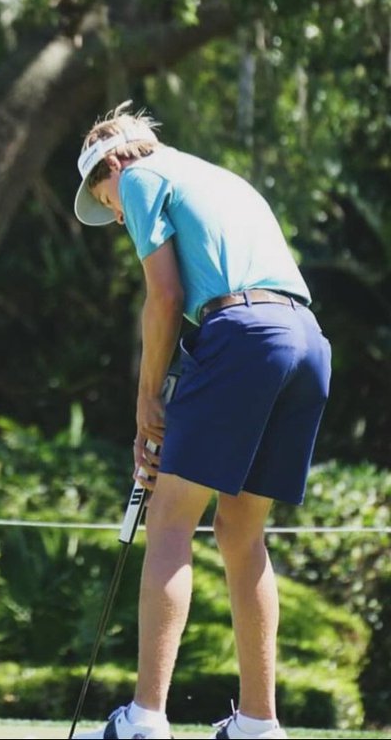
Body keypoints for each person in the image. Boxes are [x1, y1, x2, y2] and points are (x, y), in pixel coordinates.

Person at [73, 103, 330, 740]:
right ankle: (258, 725)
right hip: (307, 342)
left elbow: (165, 296)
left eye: (103, 200)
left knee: (168, 517)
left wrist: (145, 399)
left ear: (111, 166)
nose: (113, 212)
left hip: (242, 333)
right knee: (241, 532)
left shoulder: (138, 177)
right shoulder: (218, 177)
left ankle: (145, 719)